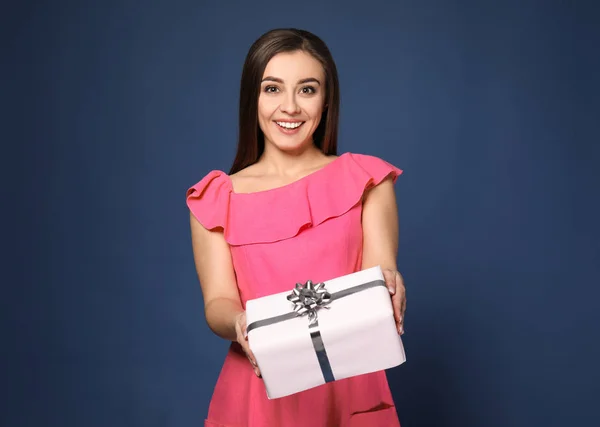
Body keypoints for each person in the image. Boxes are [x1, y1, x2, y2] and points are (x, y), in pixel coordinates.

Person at [186, 28, 406, 427]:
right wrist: (239, 322)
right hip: (259, 388)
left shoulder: (368, 180)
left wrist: (388, 285)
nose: (289, 107)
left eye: (306, 90)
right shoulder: (217, 197)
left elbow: (379, 272)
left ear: (326, 99)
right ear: (252, 97)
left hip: (349, 382)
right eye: (273, 89)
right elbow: (217, 301)